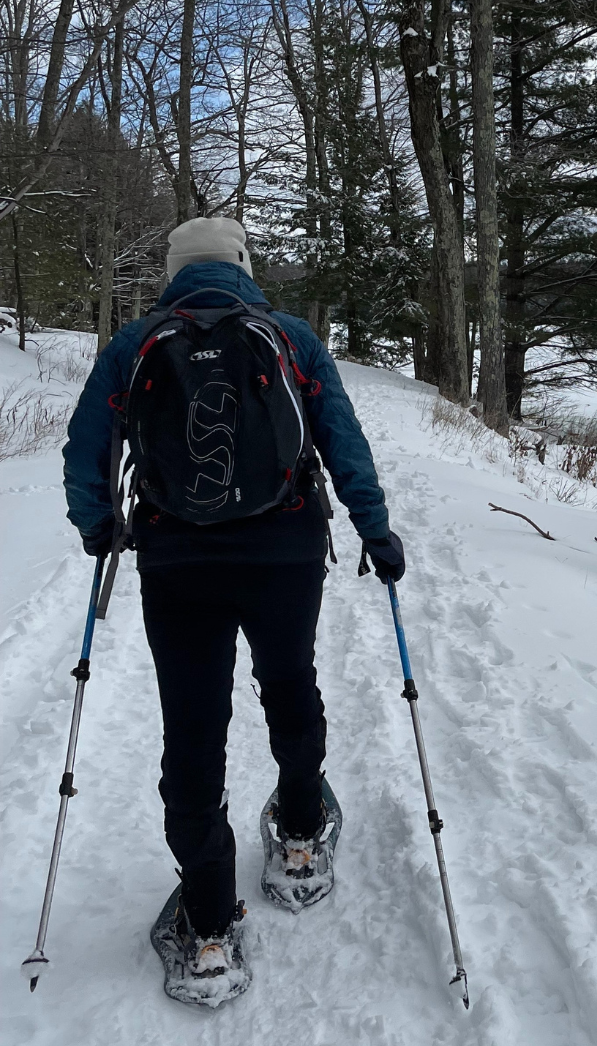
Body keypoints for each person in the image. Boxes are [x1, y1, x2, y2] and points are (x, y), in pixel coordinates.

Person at [62, 216, 404, 1006]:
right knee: (289, 683)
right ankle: (297, 837)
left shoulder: (135, 341)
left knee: (192, 725)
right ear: (244, 266)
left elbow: (89, 443)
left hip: (178, 558)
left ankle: (210, 925)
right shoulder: (289, 335)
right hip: (284, 549)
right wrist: (374, 529)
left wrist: (98, 524)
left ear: (174, 272)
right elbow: (341, 439)